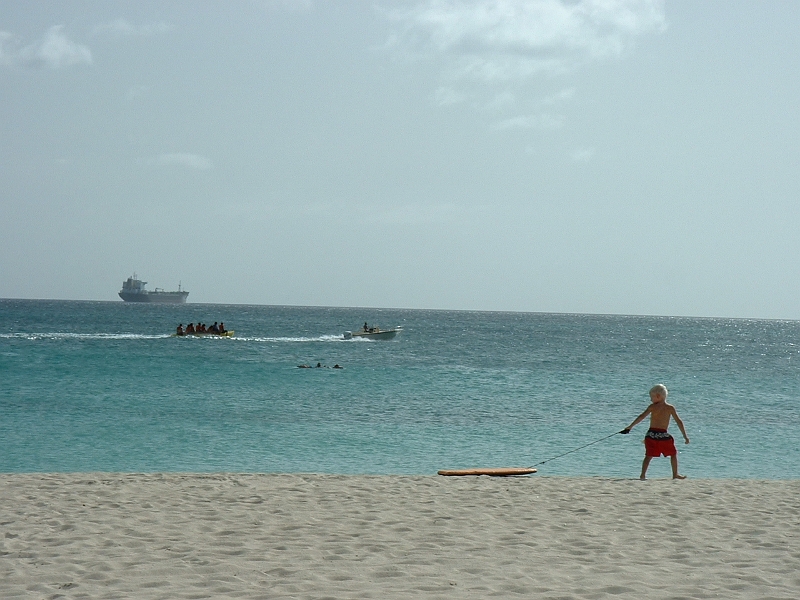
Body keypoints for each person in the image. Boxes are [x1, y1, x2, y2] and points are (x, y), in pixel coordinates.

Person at [622, 384, 690, 480]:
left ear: (658, 396)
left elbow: (641, 417)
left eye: (651, 397)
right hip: (663, 435)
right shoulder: (670, 408)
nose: (651, 400)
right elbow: (679, 421)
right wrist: (685, 436)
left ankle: (643, 475)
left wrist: (630, 427)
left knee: (648, 455)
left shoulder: (653, 407)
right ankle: (675, 474)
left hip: (651, 434)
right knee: (673, 454)